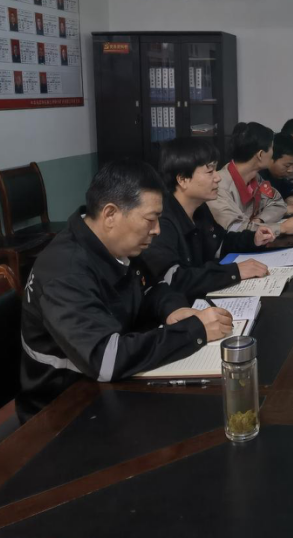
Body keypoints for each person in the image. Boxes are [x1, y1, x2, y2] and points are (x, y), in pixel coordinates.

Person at [17, 160, 233, 422]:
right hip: (62, 411)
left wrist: (174, 309)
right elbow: (106, 359)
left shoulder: (116, 244)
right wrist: (194, 331)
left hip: (109, 387)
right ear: (110, 214)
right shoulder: (64, 271)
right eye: (150, 219)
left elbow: (153, 287)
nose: (157, 230)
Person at [141, 138, 277, 301]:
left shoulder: (200, 209)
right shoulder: (162, 222)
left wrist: (253, 239)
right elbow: (175, 280)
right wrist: (234, 272)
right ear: (183, 179)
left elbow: (219, 243)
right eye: (210, 171)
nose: (217, 177)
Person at [208, 122, 293, 236]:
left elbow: (277, 203)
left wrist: (260, 220)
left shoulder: (255, 178)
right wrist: (281, 228)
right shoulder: (218, 187)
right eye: (271, 148)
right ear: (260, 155)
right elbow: (235, 229)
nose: (273, 153)